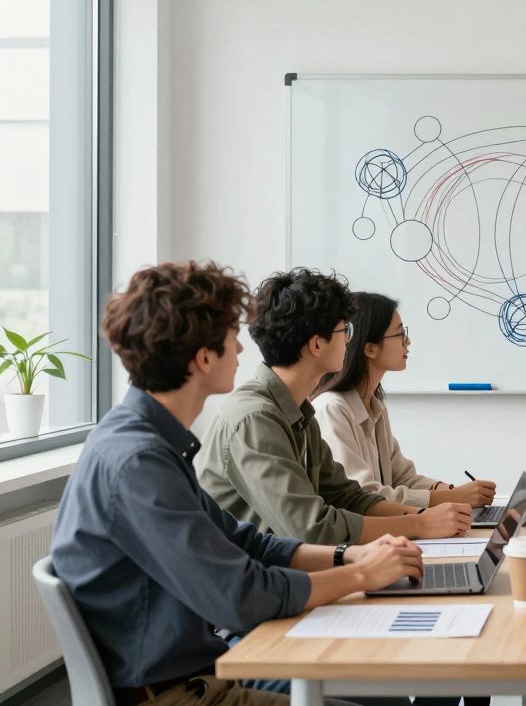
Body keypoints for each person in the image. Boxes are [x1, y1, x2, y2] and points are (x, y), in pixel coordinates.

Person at [50, 261, 423, 706]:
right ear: (203, 358)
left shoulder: (149, 441)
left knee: (387, 692)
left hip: (195, 668)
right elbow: (240, 596)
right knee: (384, 694)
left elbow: (247, 543)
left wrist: (350, 554)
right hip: (176, 693)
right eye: (231, 338)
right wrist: (360, 574)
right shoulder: (138, 463)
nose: (243, 351)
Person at [195, 268, 471, 545]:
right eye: (345, 330)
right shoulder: (255, 419)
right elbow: (312, 528)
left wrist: (425, 517)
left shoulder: (299, 411)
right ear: (316, 344)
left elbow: (347, 496)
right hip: (253, 581)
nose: (349, 340)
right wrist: (420, 523)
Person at [312, 292, 496, 509]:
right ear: (370, 348)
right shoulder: (332, 409)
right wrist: (454, 498)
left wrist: (453, 491)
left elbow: (404, 479)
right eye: (400, 334)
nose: (407, 341)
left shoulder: (374, 407)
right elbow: (362, 495)